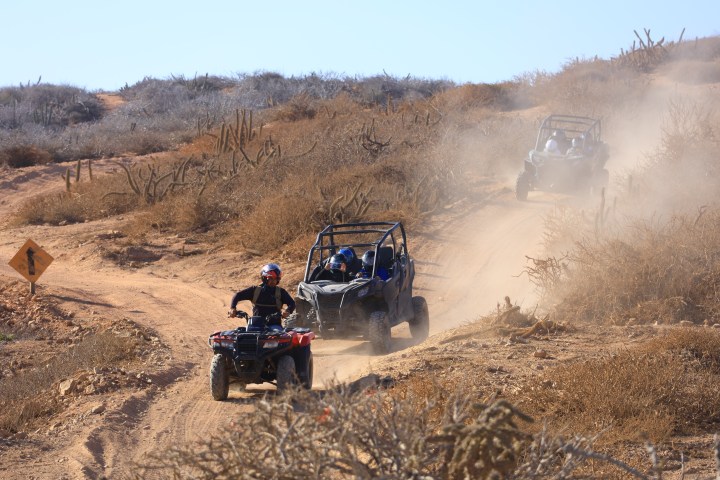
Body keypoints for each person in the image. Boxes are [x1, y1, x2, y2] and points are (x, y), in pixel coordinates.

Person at [229, 263, 295, 325]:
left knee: (278, 334)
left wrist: (287, 311)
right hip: (256, 324)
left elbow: (292, 303)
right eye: (270, 278)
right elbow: (237, 295)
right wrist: (233, 309)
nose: (274, 281)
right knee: (245, 334)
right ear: (264, 278)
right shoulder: (255, 290)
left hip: (274, 326)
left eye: (276, 279)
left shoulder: (281, 292)